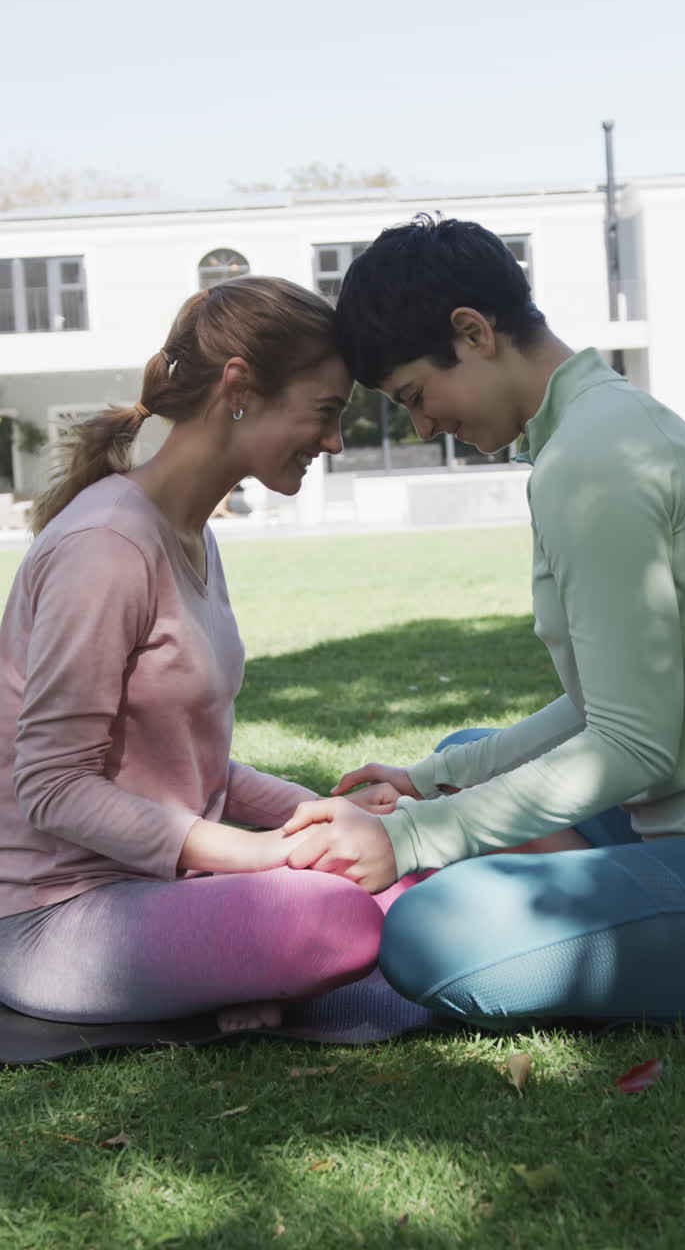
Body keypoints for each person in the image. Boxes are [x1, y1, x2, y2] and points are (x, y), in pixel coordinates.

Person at [281, 214, 685, 1032]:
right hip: (674, 796)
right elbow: (609, 703)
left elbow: (631, 742)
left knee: (430, 932)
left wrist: (411, 837)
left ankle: (643, 901)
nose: (422, 426)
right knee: (456, 759)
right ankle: (624, 890)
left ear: (473, 333)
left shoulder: (595, 459)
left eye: (416, 395)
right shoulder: (595, 429)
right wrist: (432, 786)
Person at [0, 276, 416, 1034]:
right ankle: (236, 960)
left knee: (403, 865)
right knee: (338, 914)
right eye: (325, 413)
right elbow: (52, 786)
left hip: (170, 889)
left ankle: (228, 966)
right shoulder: (106, 546)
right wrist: (253, 857)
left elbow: (189, 767)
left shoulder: (191, 531)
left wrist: (319, 810)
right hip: (59, 918)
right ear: (239, 388)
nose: (333, 442)